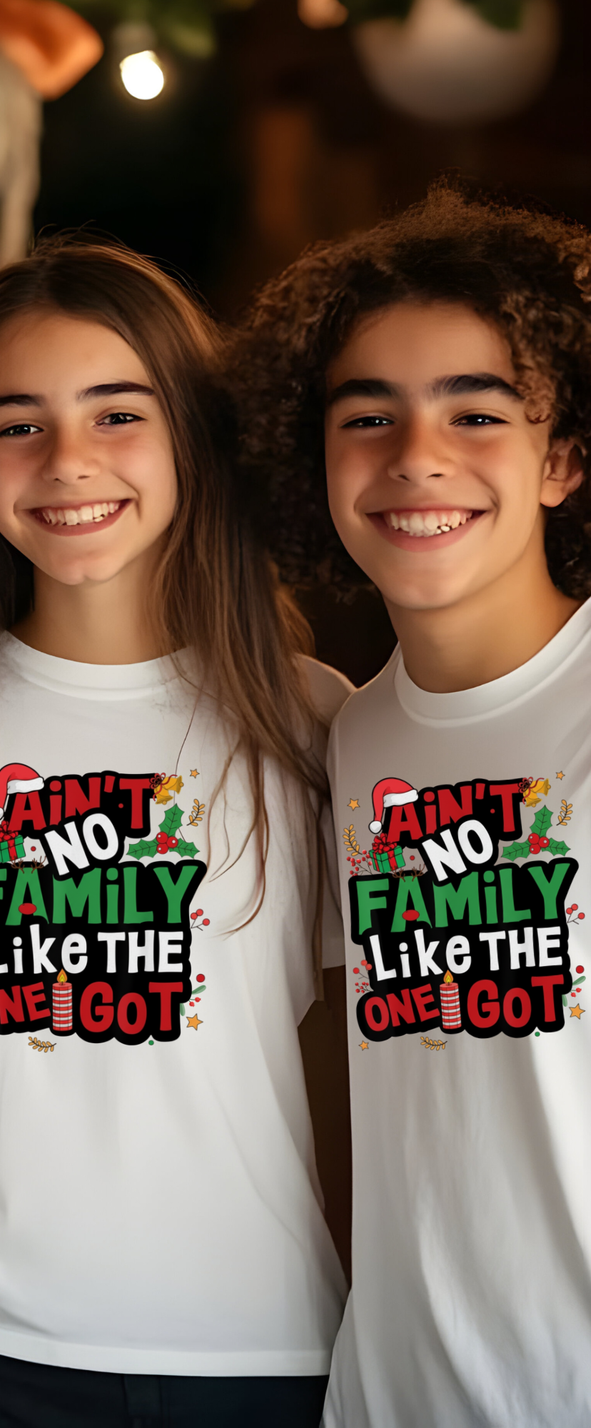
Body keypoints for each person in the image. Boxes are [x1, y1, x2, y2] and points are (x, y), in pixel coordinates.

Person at [0, 239, 349, 1427]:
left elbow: (369, 1055)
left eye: (116, 412)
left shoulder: (310, 718)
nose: (66, 460)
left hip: (254, 1341)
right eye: (16, 423)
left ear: (192, 429)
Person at [236, 182, 591, 1427]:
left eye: (473, 411)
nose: (414, 457)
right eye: (365, 416)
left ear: (561, 457)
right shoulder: (356, 735)